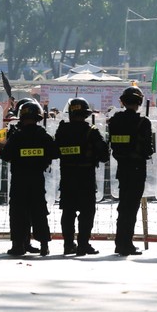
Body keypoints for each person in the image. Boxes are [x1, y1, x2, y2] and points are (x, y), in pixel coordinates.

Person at [0, 101, 59, 256]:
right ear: (38, 117)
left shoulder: (16, 136)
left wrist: (2, 145)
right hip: (37, 179)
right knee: (39, 211)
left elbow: (5, 156)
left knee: (19, 212)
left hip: (19, 180)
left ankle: (19, 245)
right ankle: (44, 244)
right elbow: (55, 153)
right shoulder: (43, 135)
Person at [54, 97, 109, 256]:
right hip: (86, 178)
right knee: (87, 212)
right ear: (85, 114)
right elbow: (104, 155)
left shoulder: (62, 130)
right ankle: (83, 245)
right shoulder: (92, 131)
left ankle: (68, 244)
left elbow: (54, 151)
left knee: (68, 212)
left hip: (68, 177)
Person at [108, 86, 153, 256]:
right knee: (131, 207)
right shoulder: (143, 122)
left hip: (122, 167)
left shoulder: (115, 120)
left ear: (123, 101)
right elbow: (148, 149)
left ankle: (121, 242)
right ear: (139, 102)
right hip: (137, 168)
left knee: (123, 206)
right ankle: (126, 244)